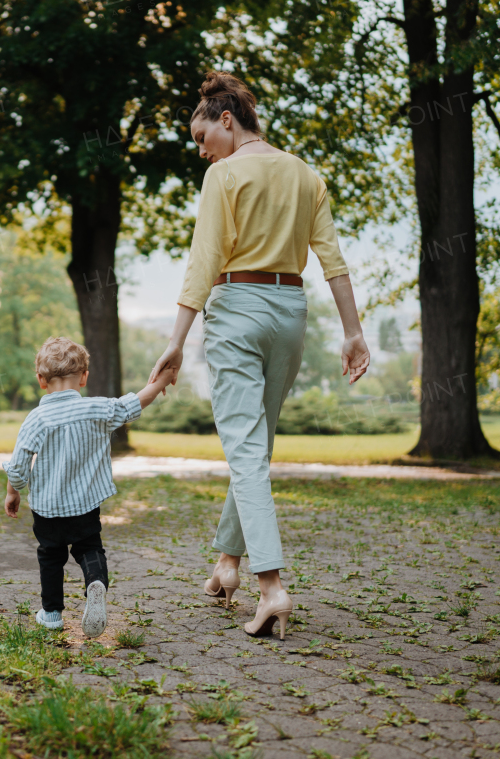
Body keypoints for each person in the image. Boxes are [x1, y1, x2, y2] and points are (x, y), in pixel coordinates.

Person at [150, 71, 371, 641]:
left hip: (238, 308)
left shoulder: (224, 175)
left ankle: (271, 587)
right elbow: (334, 260)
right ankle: (227, 562)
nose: (203, 154)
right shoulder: (306, 174)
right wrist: (353, 332)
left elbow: (204, 260)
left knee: (246, 449)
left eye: (203, 139)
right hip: (291, 313)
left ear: (227, 119)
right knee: (257, 443)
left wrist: (176, 340)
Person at [3, 337, 178, 637]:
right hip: (85, 505)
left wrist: (13, 491)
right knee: (89, 548)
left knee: (51, 556)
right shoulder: (99, 409)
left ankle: (52, 613)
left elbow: (19, 465)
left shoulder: (36, 419)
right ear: (84, 377)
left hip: (47, 509)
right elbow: (135, 403)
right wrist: (165, 376)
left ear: (41, 381)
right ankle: (95, 581)